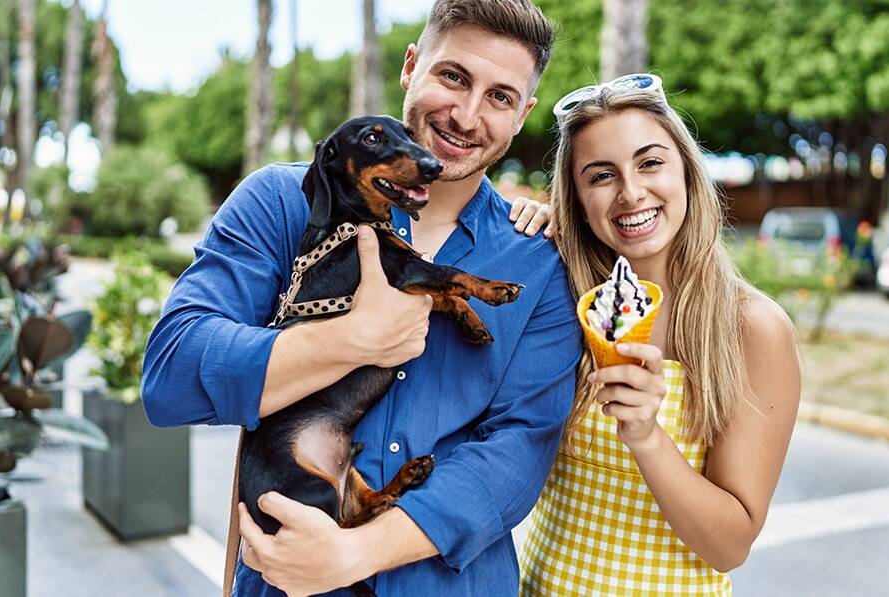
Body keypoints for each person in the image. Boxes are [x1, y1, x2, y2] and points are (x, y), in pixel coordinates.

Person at [140, 2, 582, 596]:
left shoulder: (541, 260)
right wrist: (349, 340)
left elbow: (516, 453)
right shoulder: (281, 203)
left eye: (500, 97)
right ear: (411, 66)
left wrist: (354, 552)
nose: (467, 114)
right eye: (453, 76)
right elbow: (172, 376)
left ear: (522, 114)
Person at [511, 76, 801, 595]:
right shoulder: (562, 299)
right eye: (600, 176)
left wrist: (646, 434)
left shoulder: (753, 329)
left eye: (650, 163)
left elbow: (729, 547)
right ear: (575, 198)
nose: (631, 192)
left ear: (687, 171)